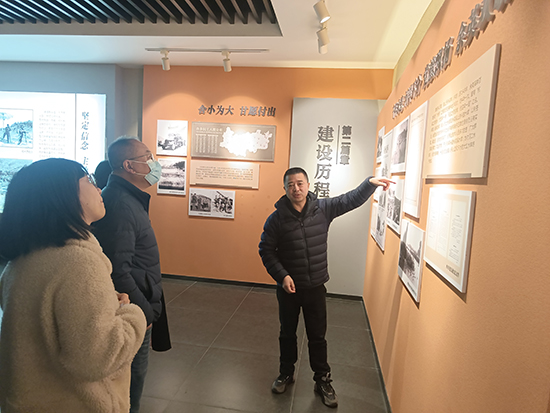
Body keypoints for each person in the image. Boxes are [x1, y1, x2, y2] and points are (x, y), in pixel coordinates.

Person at [0, 158, 147, 413]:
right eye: (89, 180)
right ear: (63, 194)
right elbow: (98, 357)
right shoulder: (78, 262)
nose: (98, 188)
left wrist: (104, 300)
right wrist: (131, 314)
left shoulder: (24, 259)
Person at [259, 167, 393, 408]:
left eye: (300, 183)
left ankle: (322, 380)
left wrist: (370, 183)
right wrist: (282, 276)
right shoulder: (276, 219)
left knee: (317, 336)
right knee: (287, 333)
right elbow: (266, 251)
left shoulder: (322, 209)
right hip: (289, 289)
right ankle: (286, 373)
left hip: (315, 287)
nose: (296, 189)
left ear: (308, 185)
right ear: (285, 188)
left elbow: (349, 200)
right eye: (291, 185)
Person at [93, 136, 171, 413]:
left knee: (133, 378)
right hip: (134, 309)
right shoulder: (120, 204)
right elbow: (118, 269)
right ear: (129, 165)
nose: (154, 163)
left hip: (140, 301)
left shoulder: (128, 199)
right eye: (147, 157)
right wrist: (144, 313)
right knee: (130, 379)